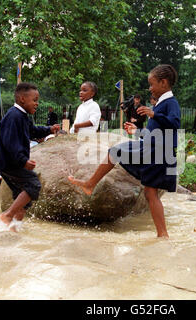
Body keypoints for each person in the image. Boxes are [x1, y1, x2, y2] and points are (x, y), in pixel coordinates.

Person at [68, 64, 180, 238]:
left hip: (158, 151)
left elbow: (174, 124)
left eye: (152, 84)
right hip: (151, 147)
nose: (149, 88)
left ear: (163, 83)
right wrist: (136, 130)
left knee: (150, 192)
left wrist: (153, 114)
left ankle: (163, 234)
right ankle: (91, 184)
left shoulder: (170, 103)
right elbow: (156, 131)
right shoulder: (161, 103)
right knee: (116, 153)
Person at [0, 82, 60, 232]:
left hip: (9, 163)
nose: (37, 104)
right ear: (22, 99)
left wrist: (49, 129)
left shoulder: (22, 116)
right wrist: (23, 161)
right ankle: (8, 215)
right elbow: (11, 143)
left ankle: (14, 228)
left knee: (23, 197)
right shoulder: (14, 116)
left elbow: (32, 131)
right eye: (35, 100)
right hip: (10, 163)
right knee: (33, 184)